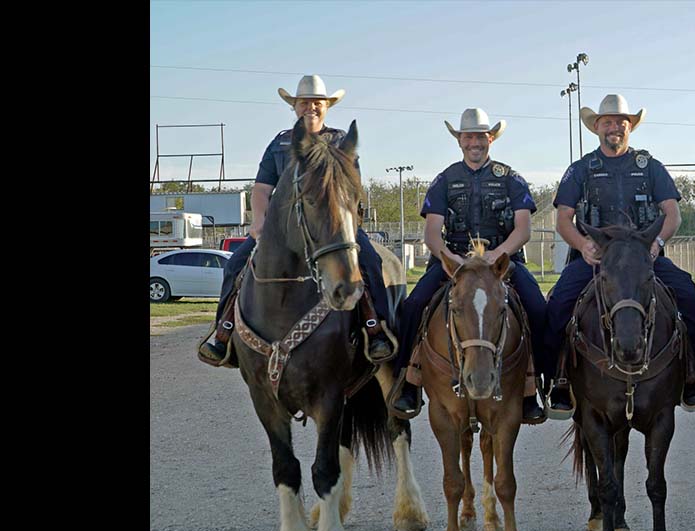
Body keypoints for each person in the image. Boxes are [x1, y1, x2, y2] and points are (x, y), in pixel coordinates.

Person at [197, 75, 394, 367]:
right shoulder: (280, 143)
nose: (311, 108)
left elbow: (351, 189)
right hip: (281, 229)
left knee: (371, 265)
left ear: (326, 107)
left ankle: (375, 328)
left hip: (333, 227)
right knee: (234, 264)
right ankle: (223, 333)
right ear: (294, 107)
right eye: (305, 103)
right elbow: (262, 189)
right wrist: (259, 222)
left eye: (318, 103)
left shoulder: (340, 141)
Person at [545, 94, 695, 414]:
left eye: (621, 122)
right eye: (607, 122)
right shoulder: (580, 170)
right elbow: (563, 218)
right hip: (596, 257)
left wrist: (657, 243)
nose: (614, 128)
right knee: (558, 306)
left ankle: (690, 375)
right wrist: (582, 245)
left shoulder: (651, 167)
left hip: (644, 256)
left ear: (630, 126)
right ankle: (560, 380)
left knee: (689, 297)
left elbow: (671, 214)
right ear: (596, 127)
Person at [390, 108, 548, 425]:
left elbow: (523, 228)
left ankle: (537, 386)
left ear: (490, 139)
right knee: (414, 305)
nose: (475, 142)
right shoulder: (445, 180)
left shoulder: (511, 178)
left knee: (538, 307)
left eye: (480, 136)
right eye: (469, 136)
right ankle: (408, 382)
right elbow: (432, 232)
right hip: (456, 262)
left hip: (501, 262)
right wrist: (451, 258)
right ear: (460, 141)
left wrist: (498, 253)